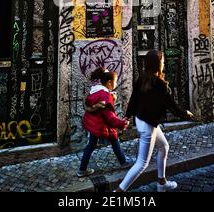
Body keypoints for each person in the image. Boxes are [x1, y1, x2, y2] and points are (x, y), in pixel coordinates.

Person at [114, 50, 194, 192]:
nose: (164, 63)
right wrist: (185, 114)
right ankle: (118, 192)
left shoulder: (142, 78)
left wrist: (127, 115)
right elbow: (171, 104)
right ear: (157, 64)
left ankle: (162, 183)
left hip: (142, 121)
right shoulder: (159, 84)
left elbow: (133, 99)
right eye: (162, 61)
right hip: (148, 125)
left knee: (164, 146)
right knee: (142, 163)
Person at [77, 67, 130, 177]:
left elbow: (98, 108)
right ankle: (123, 162)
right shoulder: (105, 96)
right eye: (115, 82)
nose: (116, 84)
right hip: (102, 126)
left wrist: (112, 99)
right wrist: (122, 123)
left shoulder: (95, 91)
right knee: (114, 141)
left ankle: (82, 169)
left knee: (91, 145)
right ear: (109, 82)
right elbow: (109, 117)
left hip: (94, 125)